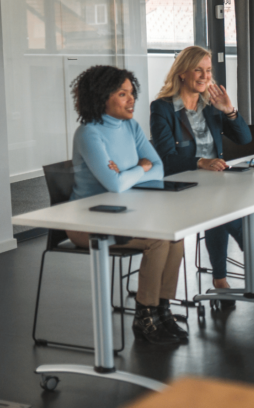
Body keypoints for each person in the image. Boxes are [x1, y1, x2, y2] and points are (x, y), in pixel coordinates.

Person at [67, 65, 188, 346]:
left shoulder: (131, 126)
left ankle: (162, 309)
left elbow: (158, 168)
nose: (131, 99)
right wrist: (138, 168)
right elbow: (116, 185)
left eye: (131, 93)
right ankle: (144, 316)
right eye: (122, 94)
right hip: (85, 223)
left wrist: (130, 170)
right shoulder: (88, 134)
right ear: (101, 98)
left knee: (175, 236)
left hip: (126, 214)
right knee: (159, 240)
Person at [150, 46, 254, 303]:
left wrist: (229, 110)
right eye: (198, 69)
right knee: (220, 206)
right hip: (180, 185)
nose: (205, 76)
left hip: (215, 183)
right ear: (182, 73)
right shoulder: (162, 109)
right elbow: (165, 160)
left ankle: (221, 279)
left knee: (224, 204)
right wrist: (200, 162)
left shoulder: (210, 105)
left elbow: (245, 138)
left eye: (208, 70)